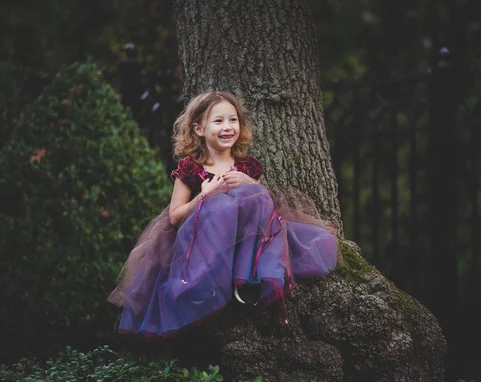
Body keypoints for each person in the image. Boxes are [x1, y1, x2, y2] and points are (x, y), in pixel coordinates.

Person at [108, 91, 338, 337]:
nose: (227, 127)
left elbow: (262, 212)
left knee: (259, 197)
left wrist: (251, 183)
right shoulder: (191, 168)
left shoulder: (247, 166)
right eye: (218, 121)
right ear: (198, 129)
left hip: (246, 241)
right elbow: (175, 217)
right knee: (221, 205)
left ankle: (246, 281)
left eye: (233, 120)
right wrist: (205, 194)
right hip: (204, 242)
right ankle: (212, 285)